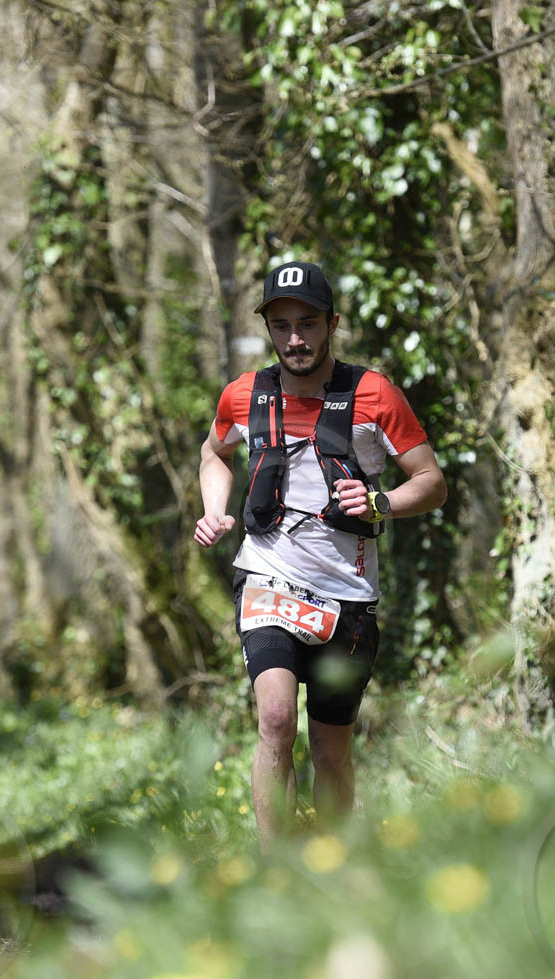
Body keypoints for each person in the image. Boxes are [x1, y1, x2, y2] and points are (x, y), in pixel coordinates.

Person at [195, 261, 447, 848]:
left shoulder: (373, 394)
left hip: (347, 595)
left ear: (331, 324)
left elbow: (432, 483)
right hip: (268, 575)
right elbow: (214, 454)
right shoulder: (244, 394)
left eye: (307, 323)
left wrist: (381, 503)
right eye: (281, 326)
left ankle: (330, 871)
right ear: (268, 329)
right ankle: (275, 867)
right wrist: (214, 509)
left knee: (332, 752)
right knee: (276, 720)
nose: (295, 339)